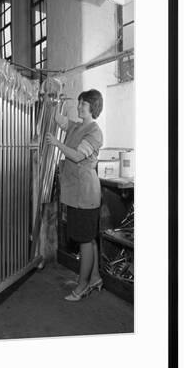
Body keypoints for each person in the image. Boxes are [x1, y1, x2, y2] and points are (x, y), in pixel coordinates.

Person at [46, 89, 104, 302]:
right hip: (75, 192)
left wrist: (57, 144)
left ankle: (82, 287)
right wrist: (51, 100)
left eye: (84, 104)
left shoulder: (94, 132)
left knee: (85, 241)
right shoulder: (78, 126)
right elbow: (60, 120)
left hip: (85, 194)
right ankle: (95, 277)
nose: (79, 107)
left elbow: (78, 155)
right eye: (79, 103)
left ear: (93, 107)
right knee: (89, 238)